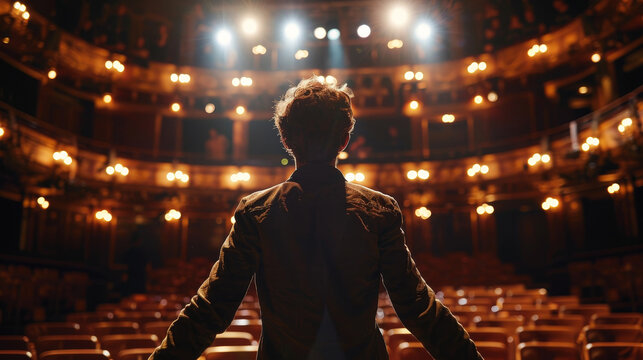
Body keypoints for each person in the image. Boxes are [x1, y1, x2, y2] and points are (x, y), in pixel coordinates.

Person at [149, 76, 481, 359]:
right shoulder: (380, 210)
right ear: (344, 140)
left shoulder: (255, 211)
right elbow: (417, 306)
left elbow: (212, 307)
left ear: (286, 140)